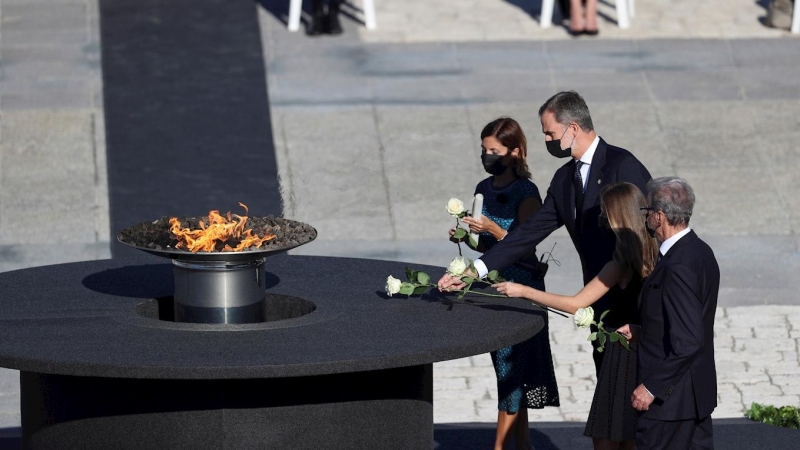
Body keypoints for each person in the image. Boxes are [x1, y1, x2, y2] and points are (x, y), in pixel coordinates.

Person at [438, 90, 651, 377]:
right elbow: (528, 232)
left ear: (573, 128)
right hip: (597, 302)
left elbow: (649, 231)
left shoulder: (622, 165)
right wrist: (475, 271)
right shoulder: (564, 180)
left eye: (550, 133)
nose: (546, 141)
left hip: (635, 299)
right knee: (609, 385)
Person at [493, 182, 658, 450]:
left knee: (610, 437)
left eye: (606, 215)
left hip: (626, 357)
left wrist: (523, 290)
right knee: (628, 438)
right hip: (638, 356)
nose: (602, 221)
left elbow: (575, 304)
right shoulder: (650, 258)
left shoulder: (623, 263)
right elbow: (577, 304)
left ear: (619, 217)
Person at [455, 117, 559, 450]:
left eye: (494, 151)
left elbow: (525, 243)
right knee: (509, 369)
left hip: (520, 286)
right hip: (492, 286)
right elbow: (482, 248)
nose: (487, 156)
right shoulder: (482, 189)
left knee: (511, 368)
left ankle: (500, 446)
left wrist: (494, 231)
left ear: (514, 152)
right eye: (484, 150)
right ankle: (523, 444)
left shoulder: (526, 192)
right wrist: (466, 235)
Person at [619, 177, 719, 449]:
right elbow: (688, 320)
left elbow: (688, 341)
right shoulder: (700, 251)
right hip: (693, 399)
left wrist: (651, 388)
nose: (646, 217)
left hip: (671, 407)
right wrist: (644, 331)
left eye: (647, 211)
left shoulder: (677, 267)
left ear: (659, 217)